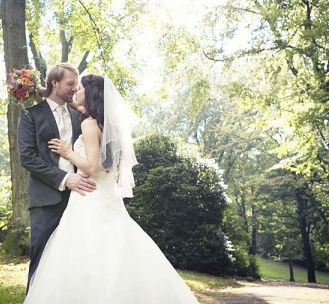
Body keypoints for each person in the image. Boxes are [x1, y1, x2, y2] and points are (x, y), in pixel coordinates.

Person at [24, 74, 199, 303]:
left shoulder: (88, 124)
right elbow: (74, 104)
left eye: (80, 87)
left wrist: (68, 153)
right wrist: (44, 91)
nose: (76, 90)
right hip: (106, 197)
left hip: (88, 196)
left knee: (85, 254)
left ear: (91, 92)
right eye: (73, 86)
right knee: (114, 252)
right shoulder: (106, 123)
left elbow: (92, 167)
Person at [17, 63, 97, 289]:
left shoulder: (79, 115)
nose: (74, 88)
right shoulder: (30, 115)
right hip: (46, 199)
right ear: (55, 83)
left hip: (79, 199)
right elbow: (28, 157)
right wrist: (65, 179)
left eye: (76, 84)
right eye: (70, 84)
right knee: (41, 257)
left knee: (73, 260)